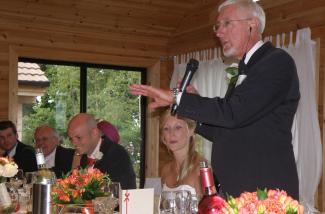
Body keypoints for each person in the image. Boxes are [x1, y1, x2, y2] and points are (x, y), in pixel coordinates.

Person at [130, 0, 300, 199]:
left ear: (251, 24)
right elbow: (226, 129)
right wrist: (188, 104)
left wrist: (179, 98)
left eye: (227, 23)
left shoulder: (276, 61)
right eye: (217, 26)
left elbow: (234, 113)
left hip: (264, 194)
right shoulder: (244, 70)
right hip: (237, 194)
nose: (219, 32)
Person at [67, 113, 136, 190]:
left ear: (94, 133)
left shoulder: (116, 154)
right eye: (71, 139)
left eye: (78, 137)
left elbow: (115, 194)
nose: (74, 143)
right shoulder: (82, 156)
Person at [160, 109, 205, 198]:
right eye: (166, 128)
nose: (171, 134)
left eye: (178, 127)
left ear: (191, 130)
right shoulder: (165, 170)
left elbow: (211, 208)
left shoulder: (202, 168)